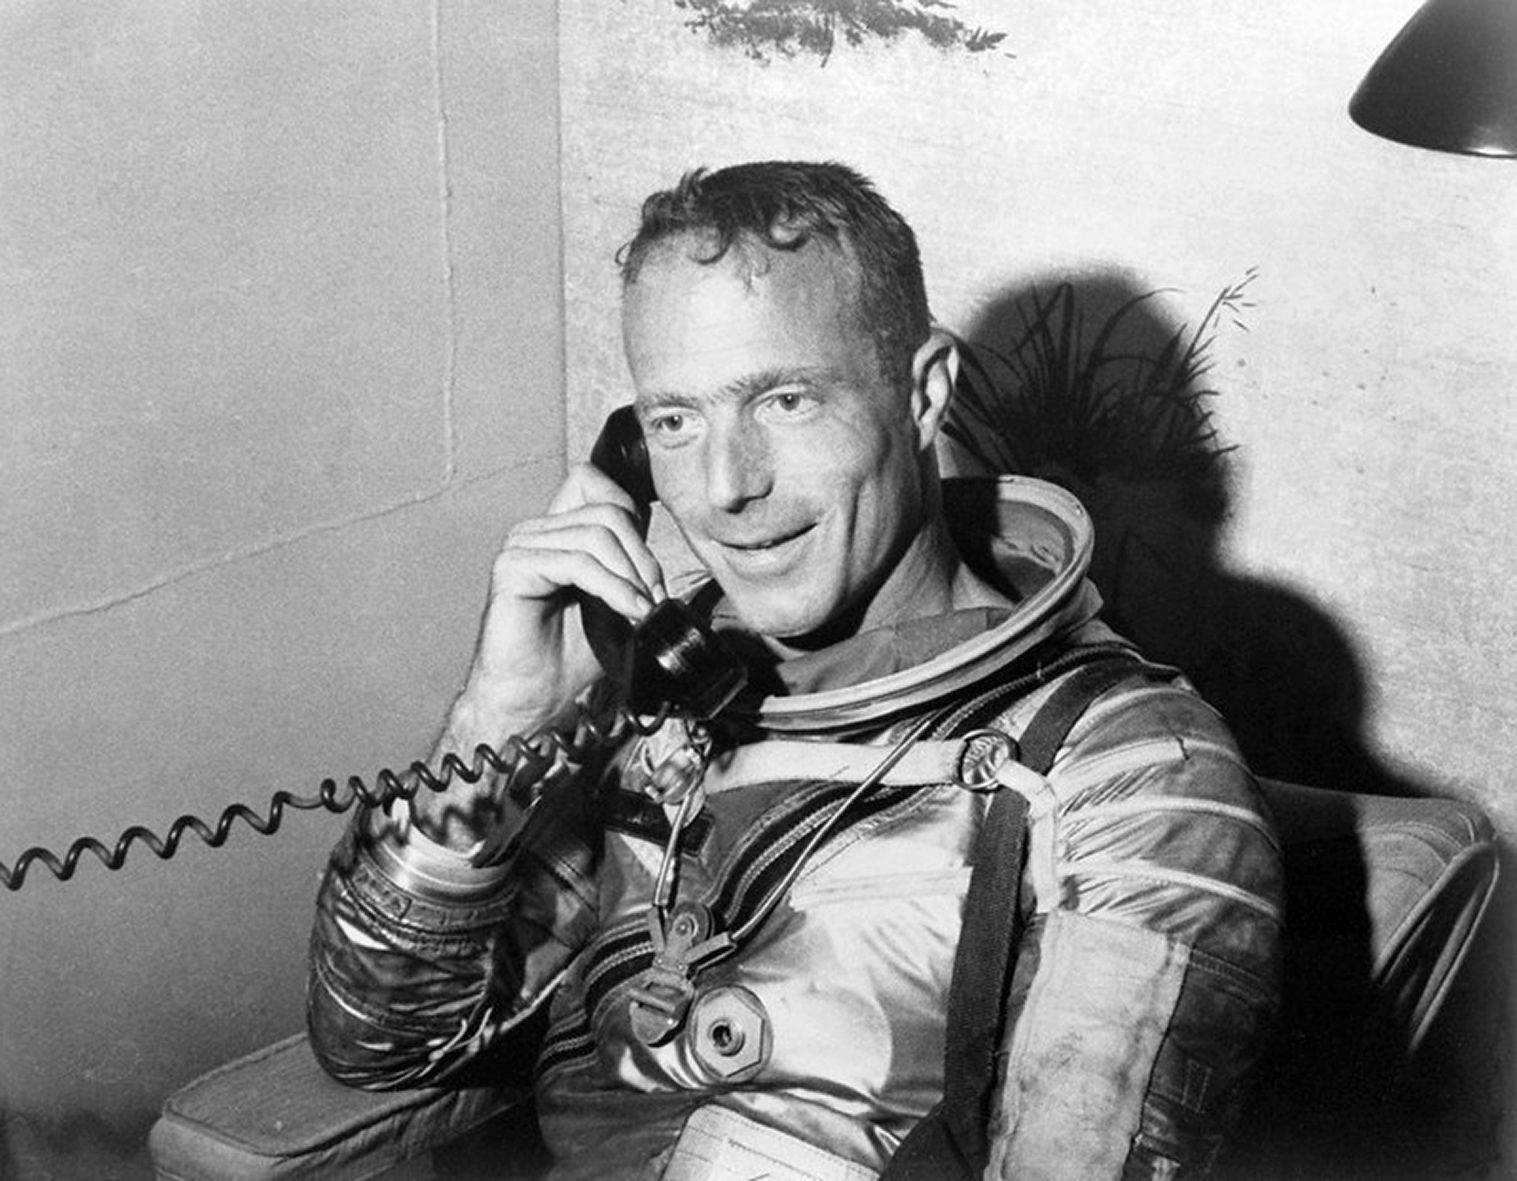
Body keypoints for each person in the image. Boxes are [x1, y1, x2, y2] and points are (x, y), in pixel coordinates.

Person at [307, 161, 1285, 1179]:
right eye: (674, 420)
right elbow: (380, 1039)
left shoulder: (1130, 776)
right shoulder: (660, 697)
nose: (725, 487)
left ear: (922, 393)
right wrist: (499, 717)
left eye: (783, 399)